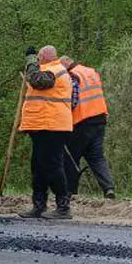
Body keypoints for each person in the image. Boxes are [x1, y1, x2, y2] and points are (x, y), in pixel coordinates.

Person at [19, 46, 73, 219]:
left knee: (53, 166)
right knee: (38, 167)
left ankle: (63, 207)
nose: (38, 60)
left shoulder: (55, 70)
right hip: (42, 124)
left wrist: (30, 61)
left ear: (44, 57)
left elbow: (37, 81)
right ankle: (38, 205)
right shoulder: (48, 70)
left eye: (39, 58)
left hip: (53, 125)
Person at [60, 56, 115, 199]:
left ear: (66, 65)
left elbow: (73, 99)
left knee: (72, 158)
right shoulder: (90, 71)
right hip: (100, 118)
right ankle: (108, 188)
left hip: (82, 120)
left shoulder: (71, 75)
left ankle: (71, 192)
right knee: (97, 157)